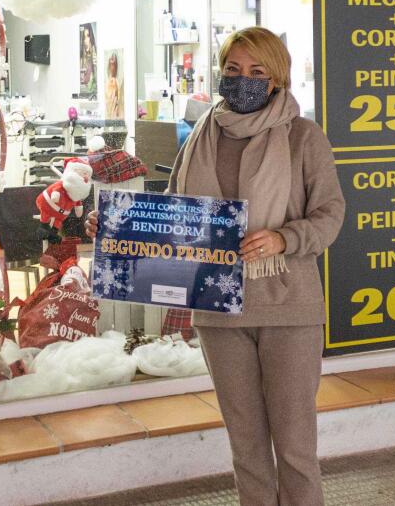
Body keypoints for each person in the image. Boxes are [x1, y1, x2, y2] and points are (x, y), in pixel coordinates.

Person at [89, 26, 345, 505]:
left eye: (256, 71)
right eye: (233, 69)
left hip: (287, 308)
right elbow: (175, 212)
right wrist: (120, 232)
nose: (242, 79)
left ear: (277, 79)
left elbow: (330, 215)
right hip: (218, 310)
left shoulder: (303, 137)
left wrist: (284, 238)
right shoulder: (200, 136)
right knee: (246, 447)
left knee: (294, 448)